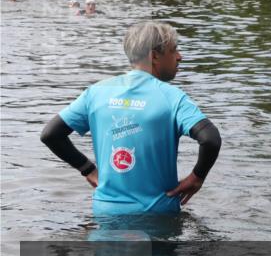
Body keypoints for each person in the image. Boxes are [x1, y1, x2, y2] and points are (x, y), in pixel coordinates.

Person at [40, 21, 222, 215]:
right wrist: (196, 177)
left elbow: (51, 134)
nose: (179, 57)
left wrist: (88, 169)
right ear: (154, 56)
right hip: (157, 216)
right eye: (173, 50)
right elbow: (210, 139)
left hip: (105, 213)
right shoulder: (172, 97)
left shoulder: (96, 92)